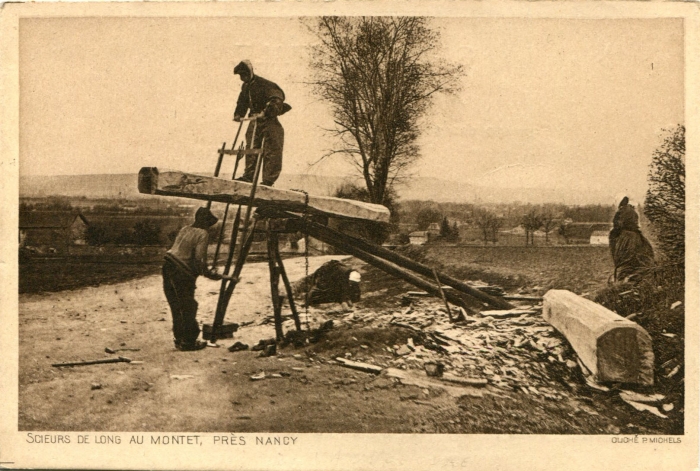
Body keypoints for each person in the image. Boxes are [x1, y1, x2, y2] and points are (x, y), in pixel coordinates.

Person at [162, 207, 233, 351]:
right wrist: (212, 274)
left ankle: (180, 339)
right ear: (206, 223)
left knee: (176, 305)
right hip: (180, 271)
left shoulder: (185, 229)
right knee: (188, 306)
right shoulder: (202, 233)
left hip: (167, 265)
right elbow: (198, 260)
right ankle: (188, 342)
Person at [233, 60, 291, 187]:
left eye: (244, 75)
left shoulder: (264, 84)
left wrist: (266, 112)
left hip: (269, 120)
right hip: (254, 121)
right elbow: (242, 101)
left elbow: (277, 97)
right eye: (241, 76)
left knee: (272, 149)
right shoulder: (246, 87)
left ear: (250, 72)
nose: (243, 78)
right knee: (251, 147)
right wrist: (238, 114)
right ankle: (248, 176)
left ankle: (268, 180)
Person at [609, 196, 655, 282]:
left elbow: (618, 225)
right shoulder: (633, 212)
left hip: (626, 236)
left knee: (624, 256)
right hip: (636, 235)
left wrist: (614, 234)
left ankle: (623, 277)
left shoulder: (621, 212)